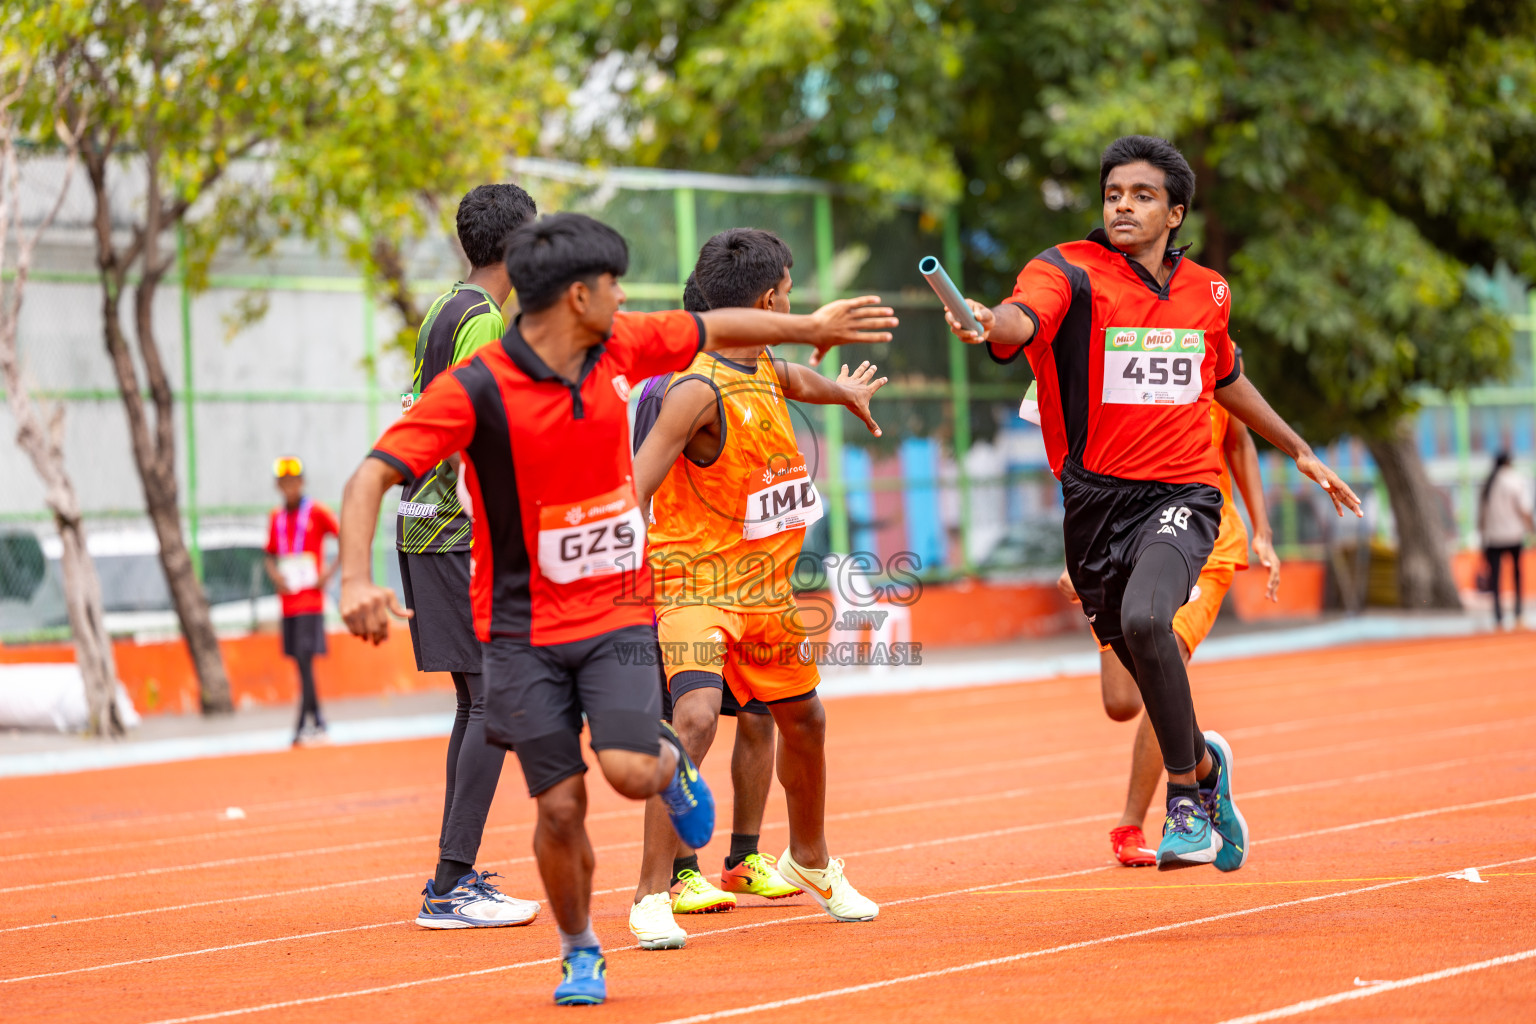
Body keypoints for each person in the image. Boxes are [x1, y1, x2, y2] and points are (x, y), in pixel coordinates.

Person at [337, 212, 896, 1006]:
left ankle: (669, 770)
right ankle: (579, 951)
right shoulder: (477, 388)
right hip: (523, 627)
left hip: (611, 617)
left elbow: (717, 322)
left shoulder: (619, 345)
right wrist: (353, 578)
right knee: (560, 806)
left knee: (634, 770)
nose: (627, 297)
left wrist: (807, 325)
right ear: (577, 295)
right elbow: (370, 475)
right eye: (615, 285)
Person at [945, 135, 1361, 871]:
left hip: (1184, 494)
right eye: (1113, 195)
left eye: (1141, 195)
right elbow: (1019, 319)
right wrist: (989, 322)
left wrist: (1298, 450)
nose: (1124, 207)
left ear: (1175, 212)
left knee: (1148, 619)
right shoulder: (1066, 269)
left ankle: (1186, 803)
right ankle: (1204, 765)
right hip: (1094, 506)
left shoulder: (1208, 292)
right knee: (1130, 680)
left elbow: (1226, 376)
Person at [627, 235, 887, 950]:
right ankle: (652, 894)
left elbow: (803, 377)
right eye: (791, 289)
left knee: (805, 723)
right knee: (697, 717)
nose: (794, 298)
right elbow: (636, 484)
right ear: (772, 298)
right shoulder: (694, 389)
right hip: (695, 584)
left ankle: (809, 859)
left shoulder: (766, 367)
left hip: (766, 592)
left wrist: (848, 393)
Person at [1052, 349, 1283, 866]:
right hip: (1128, 531)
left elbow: (1240, 441)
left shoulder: (1210, 344)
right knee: (1121, 701)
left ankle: (1143, 820)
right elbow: (1078, 456)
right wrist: (1074, 548)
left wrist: (1263, 531)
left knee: (1163, 653)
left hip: (1206, 534)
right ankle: (1206, 764)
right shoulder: (1109, 347)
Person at [400, 184, 542, 929]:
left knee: (477, 700)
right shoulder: (483, 321)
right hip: (456, 530)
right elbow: (481, 433)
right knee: (494, 700)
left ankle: (452, 878)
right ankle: (450, 887)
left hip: (425, 525)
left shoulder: (444, 306)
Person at [264, 456, 339, 747]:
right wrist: (275, 577)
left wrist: (328, 574)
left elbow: (344, 536)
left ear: (302, 482)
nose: (289, 488)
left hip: (310, 602)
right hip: (289, 602)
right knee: (300, 662)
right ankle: (317, 721)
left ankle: (300, 727)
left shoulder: (317, 511)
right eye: (283, 483)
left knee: (306, 661)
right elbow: (269, 554)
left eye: (293, 482)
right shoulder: (276, 517)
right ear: (277, 486)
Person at [1479, 451, 1534, 628]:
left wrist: (1482, 536)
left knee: (1495, 577)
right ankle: (1518, 611)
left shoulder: (1488, 483)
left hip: (1493, 537)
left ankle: (1498, 615)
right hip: (1513, 535)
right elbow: (1523, 509)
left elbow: (1482, 515)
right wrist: (1532, 529)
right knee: (1517, 573)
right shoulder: (1515, 480)